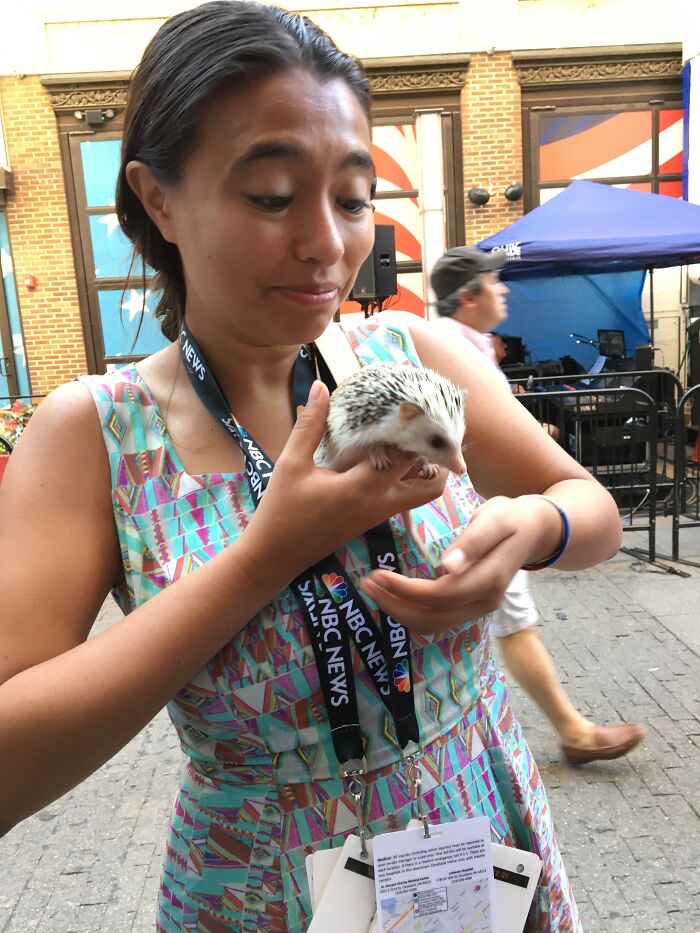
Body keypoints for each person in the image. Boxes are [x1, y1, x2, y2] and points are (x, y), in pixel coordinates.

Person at [0, 5, 624, 931]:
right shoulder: (95, 433)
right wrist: (265, 556)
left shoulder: (409, 353)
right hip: (259, 884)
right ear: (158, 197)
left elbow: (592, 507)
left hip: (476, 839)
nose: (327, 244)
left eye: (351, 195)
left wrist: (531, 529)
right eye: (271, 196)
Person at [431, 246, 645, 765]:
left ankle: (561, 729)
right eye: (494, 281)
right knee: (512, 620)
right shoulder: (444, 346)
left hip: (499, 514)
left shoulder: (470, 345)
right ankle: (568, 731)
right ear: (469, 294)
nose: (504, 289)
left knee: (511, 622)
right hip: (482, 517)